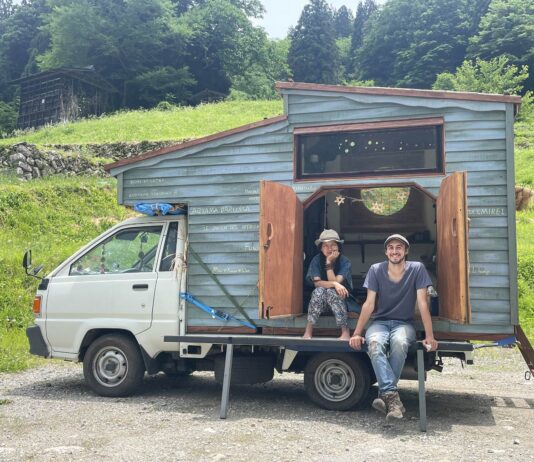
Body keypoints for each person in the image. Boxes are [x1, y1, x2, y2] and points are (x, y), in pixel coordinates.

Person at [349, 234, 438, 421]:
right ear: (386, 252)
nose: (394, 251)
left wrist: (430, 336)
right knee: (373, 343)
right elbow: (369, 304)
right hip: (379, 322)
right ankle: (392, 398)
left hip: (404, 323)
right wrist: (357, 333)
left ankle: (386, 395)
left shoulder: (417, 269)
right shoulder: (376, 270)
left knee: (400, 342)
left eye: (399, 247)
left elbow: (423, 303)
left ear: (406, 251)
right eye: (390, 247)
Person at [303, 229, 352, 340]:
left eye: (333, 245)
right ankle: (309, 329)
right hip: (322, 305)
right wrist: (334, 283)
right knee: (318, 291)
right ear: (321, 248)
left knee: (331, 291)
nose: (329, 248)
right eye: (325, 246)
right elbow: (317, 283)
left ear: (338, 246)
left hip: (341, 302)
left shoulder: (345, 262)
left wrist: (329, 263)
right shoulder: (316, 260)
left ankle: (345, 330)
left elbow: (337, 282)